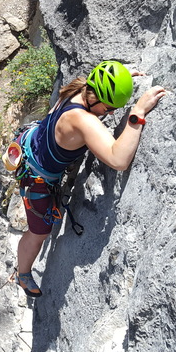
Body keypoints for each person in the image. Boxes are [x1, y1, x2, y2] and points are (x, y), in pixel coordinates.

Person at [13, 60, 166, 297]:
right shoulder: (82, 120)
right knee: (39, 232)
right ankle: (22, 274)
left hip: (31, 142)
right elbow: (118, 159)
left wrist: (122, 80)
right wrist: (137, 114)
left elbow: (101, 81)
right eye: (108, 109)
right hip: (36, 178)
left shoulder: (80, 86)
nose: (112, 113)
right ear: (94, 99)